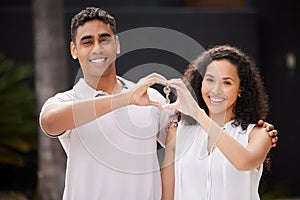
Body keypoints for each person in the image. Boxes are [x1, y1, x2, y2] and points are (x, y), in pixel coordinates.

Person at [39, 7, 278, 200]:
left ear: (117, 44)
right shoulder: (67, 101)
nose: (97, 48)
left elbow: (179, 143)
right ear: (73, 50)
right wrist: (124, 99)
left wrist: (251, 131)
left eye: (104, 39)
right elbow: (49, 122)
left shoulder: (151, 99)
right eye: (87, 42)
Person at [161, 44, 277, 200]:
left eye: (227, 83)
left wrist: (198, 114)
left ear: (241, 89)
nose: (216, 90)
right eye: (210, 80)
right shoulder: (177, 131)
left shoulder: (259, 134)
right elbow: (167, 196)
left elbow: (244, 162)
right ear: (200, 82)